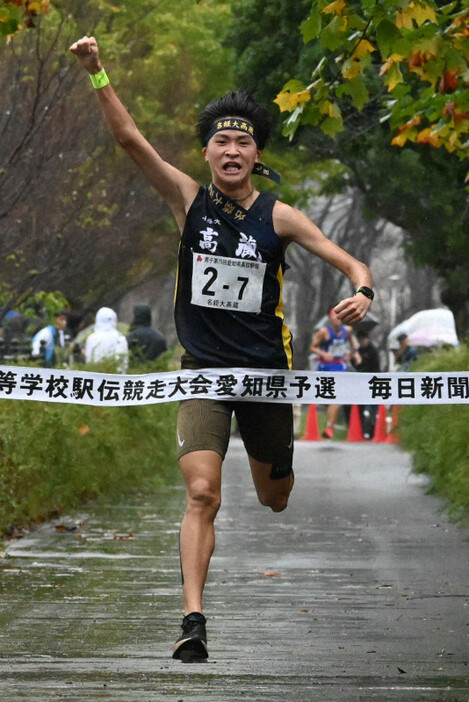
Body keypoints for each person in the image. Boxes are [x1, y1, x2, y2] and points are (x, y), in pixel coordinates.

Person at [69, 35, 374, 662]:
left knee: (273, 497)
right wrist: (98, 71)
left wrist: (363, 290)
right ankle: (193, 620)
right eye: (220, 142)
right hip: (203, 372)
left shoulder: (280, 218)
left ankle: (278, 469)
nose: (231, 150)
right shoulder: (189, 200)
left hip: (265, 374)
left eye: (243, 142)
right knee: (202, 492)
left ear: (256, 153)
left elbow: (352, 261)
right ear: (207, 153)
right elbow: (131, 141)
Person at [309, 307, 361, 439]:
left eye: (339, 315)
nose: (337, 318)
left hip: (339, 367)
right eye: (334, 315)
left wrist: (350, 354)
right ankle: (330, 424)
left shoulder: (347, 330)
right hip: (324, 367)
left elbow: (353, 346)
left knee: (335, 398)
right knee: (327, 400)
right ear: (330, 318)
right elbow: (312, 347)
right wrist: (323, 353)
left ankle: (329, 428)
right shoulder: (324, 332)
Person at [84, 306, 128, 373]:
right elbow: (123, 364)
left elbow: (89, 362)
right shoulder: (120, 338)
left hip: (96, 378)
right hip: (117, 380)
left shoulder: (91, 339)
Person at [354, 329, 380, 439]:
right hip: (361, 383)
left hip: (373, 381)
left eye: (363, 340)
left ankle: (373, 431)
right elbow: (357, 366)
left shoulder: (373, 350)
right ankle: (362, 430)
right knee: (361, 408)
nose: (362, 342)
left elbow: (374, 366)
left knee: (372, 409)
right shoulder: (359, 351)